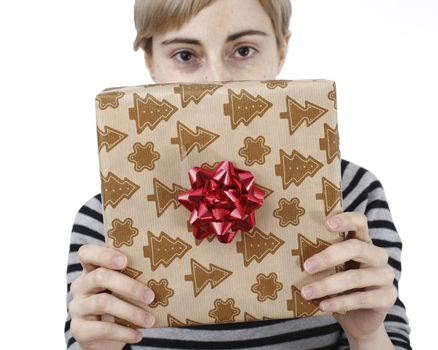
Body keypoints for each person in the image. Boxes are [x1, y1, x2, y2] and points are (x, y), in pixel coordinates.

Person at [64, 0, 412, 349]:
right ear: (151, 63)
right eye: (185, 56)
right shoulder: (105, 219)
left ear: (280, 50)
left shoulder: (353, 196)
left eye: (243, 50)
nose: (217, 80)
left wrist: (366, 335)